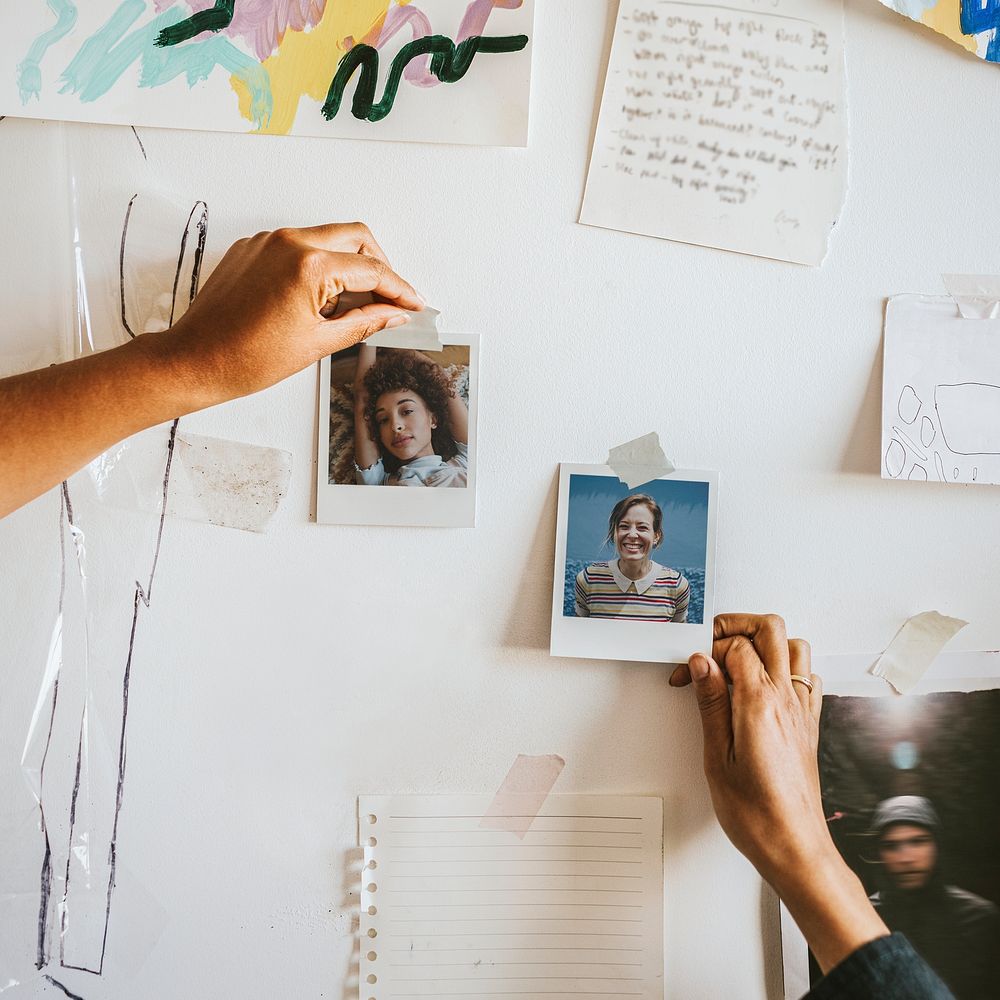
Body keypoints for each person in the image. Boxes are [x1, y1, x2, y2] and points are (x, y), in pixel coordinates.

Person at [0, 222, 425, 520]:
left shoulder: (438, 462)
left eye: (406, 411)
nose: (396, 427)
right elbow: (367, 400)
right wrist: (186, 365)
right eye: (386, 418)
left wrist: (182, 364)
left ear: (437, 415)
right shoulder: (375, 479)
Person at [671, 614, 955, 998]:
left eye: (916, 841)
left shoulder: (972, 919)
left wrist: (800, 841)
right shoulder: (887, 901)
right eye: (894, 843)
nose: (905, 855)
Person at [867, 796, 1000, 999]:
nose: (906, 858)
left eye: (918, 841)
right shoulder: (866, 917)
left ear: (937, 845)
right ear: (879, 853)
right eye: (891, 846)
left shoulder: (980, 918)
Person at [351, 344, 469, 487]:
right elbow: (362, 397)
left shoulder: (467, 463)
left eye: (407, 411)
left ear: (433, 419)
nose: (395, 426)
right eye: (383, 420)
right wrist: (371, 336)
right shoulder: (377, 484)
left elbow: (442, 380)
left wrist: (393, 344)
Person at [574, 493, 691, 621]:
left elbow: (678, 639)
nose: (632, 534)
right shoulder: (589, 579)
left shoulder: (676, 585)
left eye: (642, 528)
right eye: (624, 526)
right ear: (615, 533)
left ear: (656, 536)